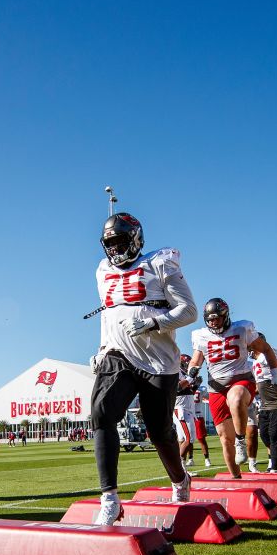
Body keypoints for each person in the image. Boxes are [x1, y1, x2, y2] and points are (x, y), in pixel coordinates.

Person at [88, 211, 199, 524]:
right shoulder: (101, 270)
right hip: (118, 352)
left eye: (121, 241)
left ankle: (180, 480)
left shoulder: (159, 263)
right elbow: (109, 314)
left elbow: (189, 311)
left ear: (136, 238)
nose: (115, 248)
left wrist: (153, 322)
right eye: (110, 243)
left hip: (158, 360)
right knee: (101, 412)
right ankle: (109, 497)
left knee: (160, 430)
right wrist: (101, 349)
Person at [188, 298, 277, 479]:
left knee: (237, 397)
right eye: (210, 319)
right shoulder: (200, 335)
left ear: (226, 316)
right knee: (225, 439)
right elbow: (196, 360)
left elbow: (267, 350)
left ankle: (241, 440)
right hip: (216, 388)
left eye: (216, 318)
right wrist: (190, 375)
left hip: (242, 380)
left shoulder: (241, 329)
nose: (213, 323)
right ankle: (236, 477)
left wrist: (276, 376)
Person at [252, 341, 277, 472]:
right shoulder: (256, 360)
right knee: (264, 435)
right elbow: (259, 386)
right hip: (264, 404)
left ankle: (274, 466)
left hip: (275, 401)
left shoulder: (267, 353)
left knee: (274, 436)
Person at [173, 354, 207, 470]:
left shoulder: (182, 373)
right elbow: (177, 388)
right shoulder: (175, 371)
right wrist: (190, 378)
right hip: (181, 409)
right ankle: (178, 468)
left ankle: (181, 468)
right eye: (186, 363)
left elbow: (187, 393)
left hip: (186, 409)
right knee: (189, 439)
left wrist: (195, 386)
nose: (188, 366)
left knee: (184, 439)